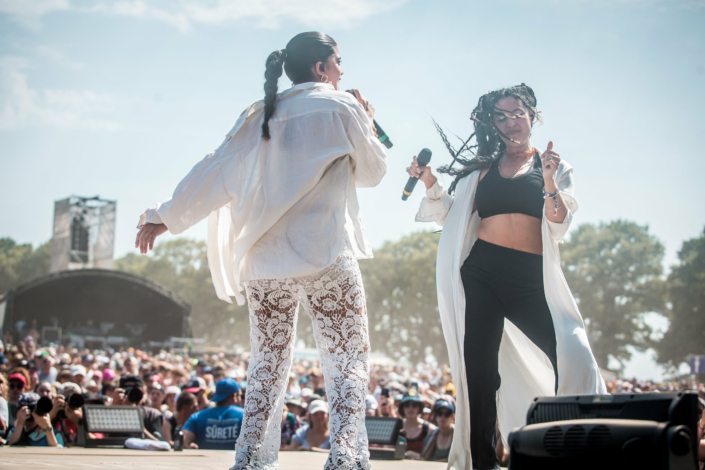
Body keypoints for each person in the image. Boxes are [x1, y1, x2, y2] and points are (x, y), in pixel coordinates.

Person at [134, 31, 385, 470]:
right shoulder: (342, 106)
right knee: (346, 360)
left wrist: (166, 215)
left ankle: (250, 457)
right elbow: (374, 171)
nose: (344, 71)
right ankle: (345, 457)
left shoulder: (259, 114)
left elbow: (214, 168)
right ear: (321, 69)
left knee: (267, 363)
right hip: (325, 253)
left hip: (265, 262)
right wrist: (367, 117)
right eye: (339, 62)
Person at [410, 83, 607, 470]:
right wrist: (430, 182)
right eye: (501, 116)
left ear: (533, 115)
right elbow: (454, 219)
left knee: (572, 353)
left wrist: (549, 179)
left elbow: (558, 222)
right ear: (493, 123)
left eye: (518, 113)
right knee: (480, 372)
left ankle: (577, 444)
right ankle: (483, 461)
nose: (511, 122)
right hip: (482, 273)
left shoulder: (553, 166)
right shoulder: (482, 170)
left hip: (531, 278)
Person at [182, 378, 244, 450]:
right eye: (240, 395)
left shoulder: (197, 417)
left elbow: (183, 442)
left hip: (206, 461)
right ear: (234, 396)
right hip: (234, 461)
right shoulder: (246, 417)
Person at [399, 389, 435, 459]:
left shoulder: (429, 429)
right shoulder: (397, 427)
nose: (411, 408)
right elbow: (388, 449)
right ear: (402, 408)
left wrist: (419, 457)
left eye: (414, 405)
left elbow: (433, 456)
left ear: (419, 408)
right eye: (407, 405)